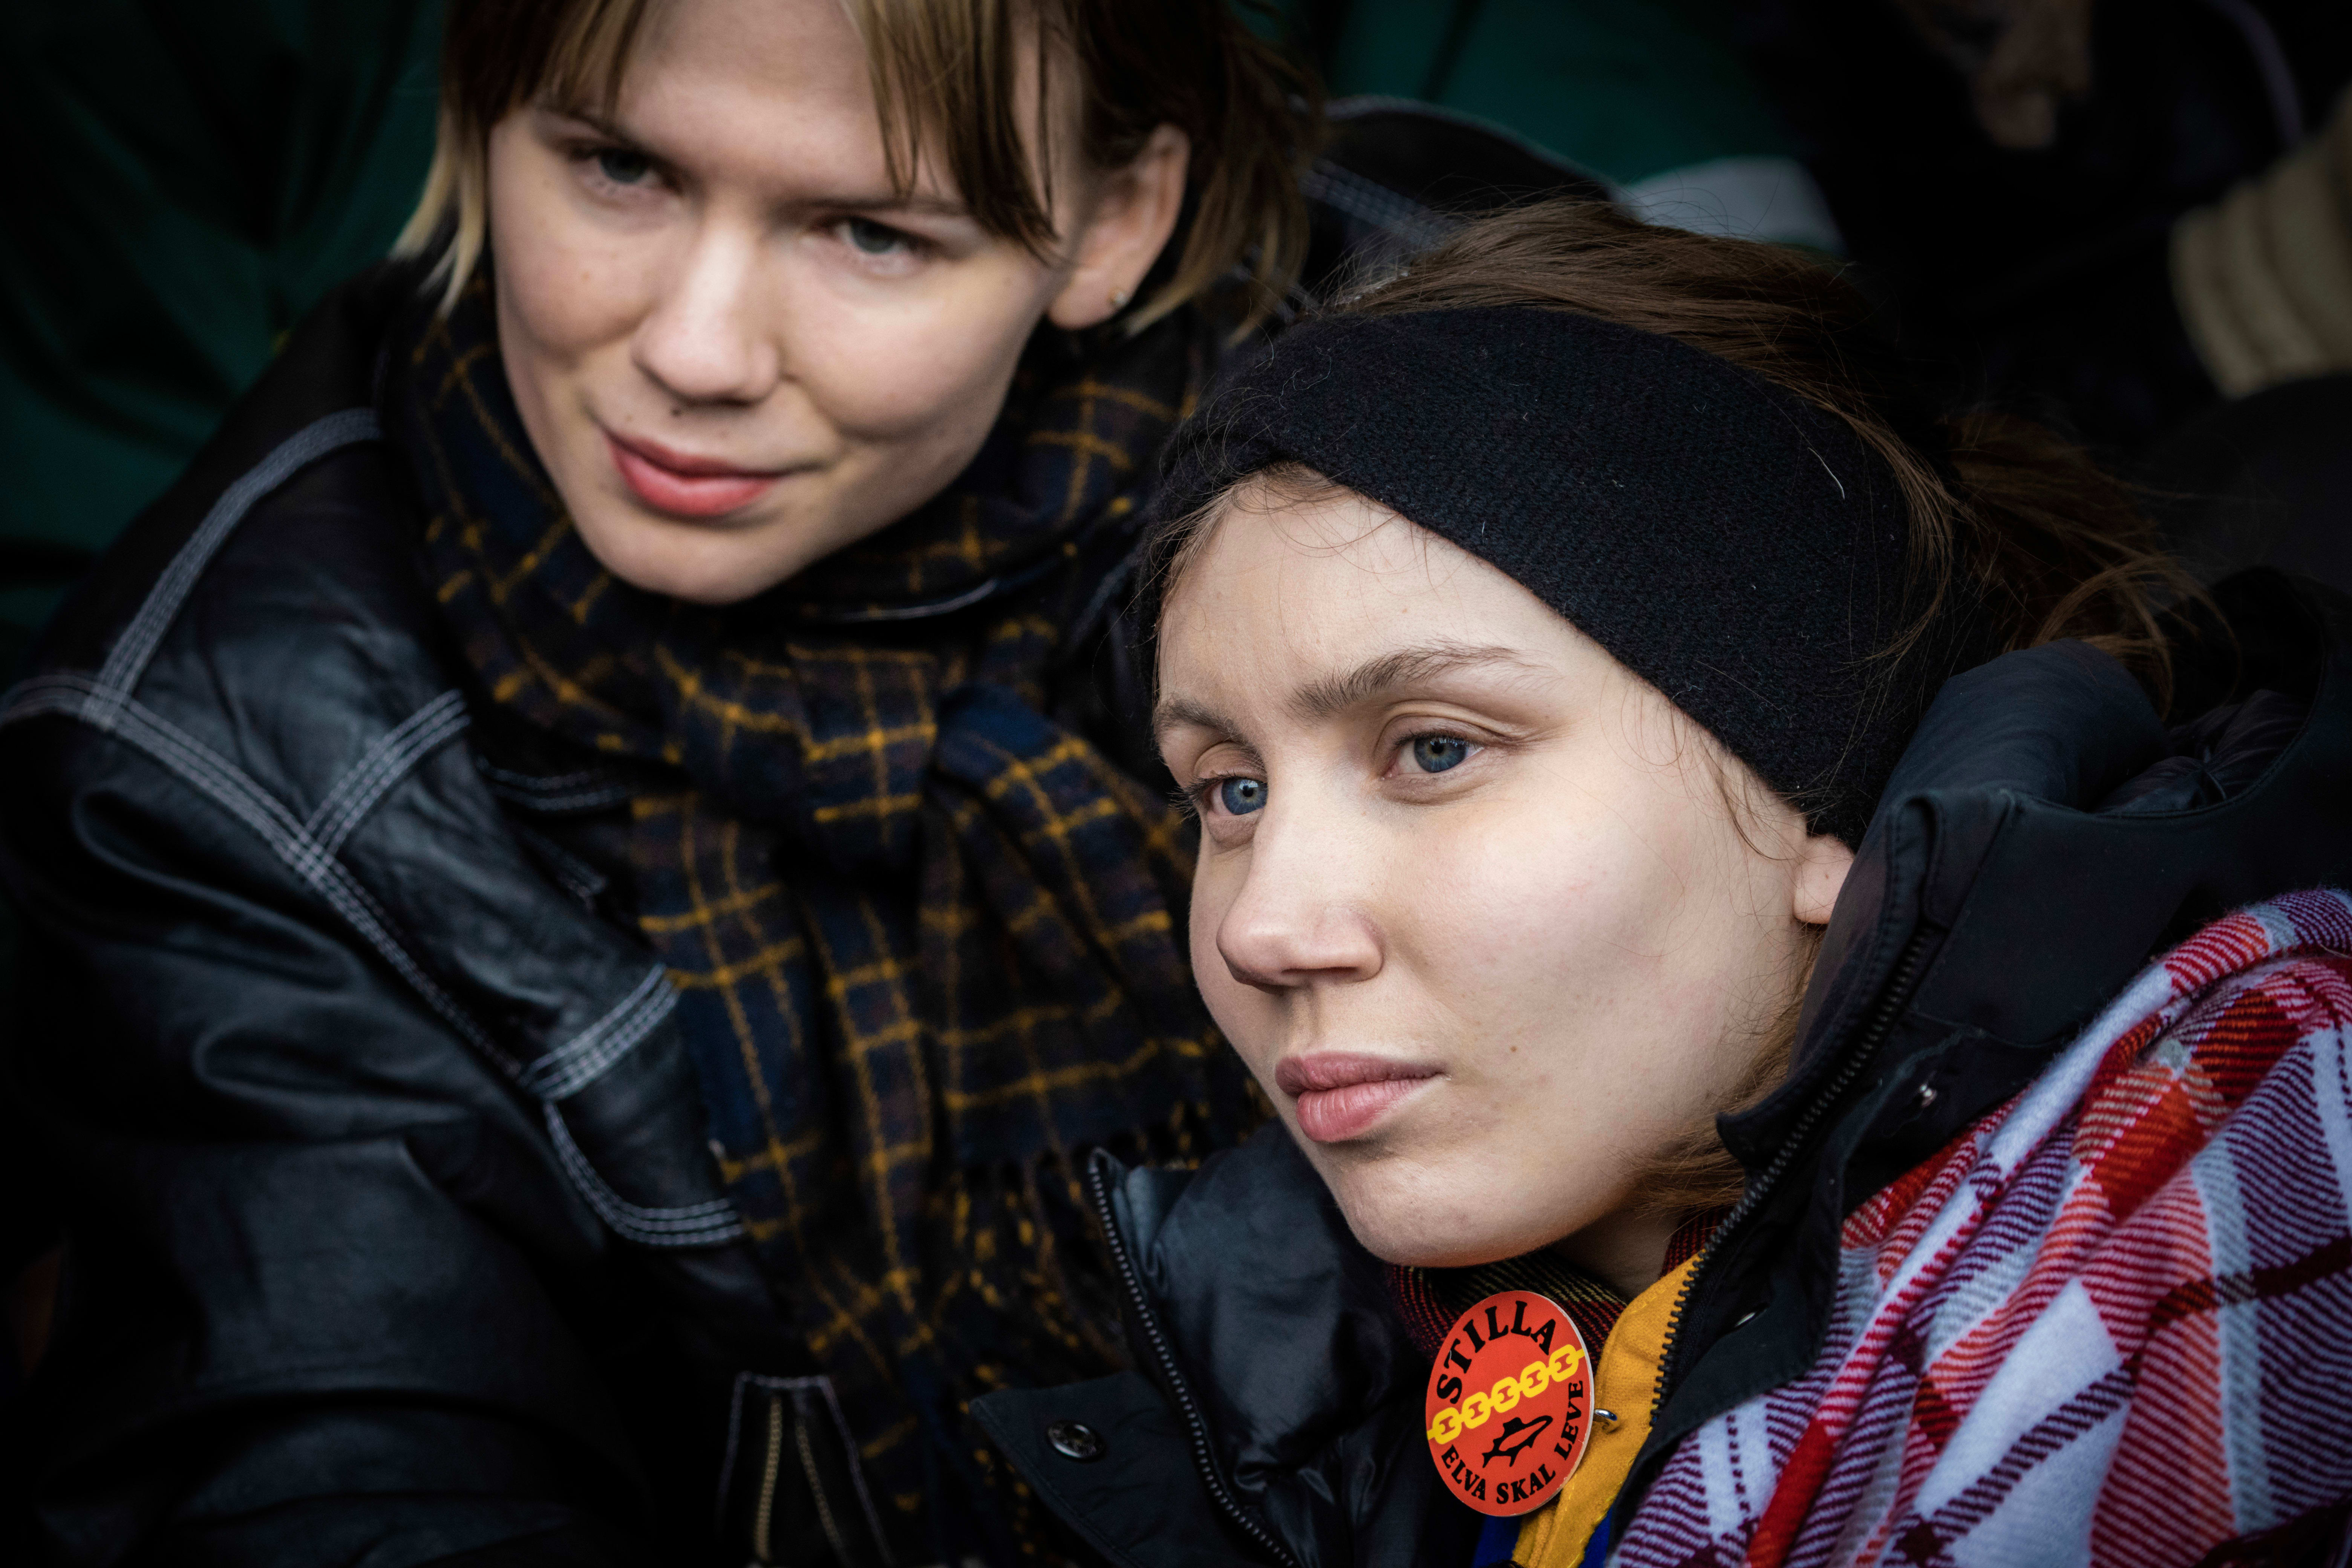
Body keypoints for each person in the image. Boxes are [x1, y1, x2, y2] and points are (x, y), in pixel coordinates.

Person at [0, 0, 1321, 1560]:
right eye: (620, 169)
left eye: (872, 233)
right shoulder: (223, 773)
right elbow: (352, 1481)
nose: (695, 352)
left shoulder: (1435, 439)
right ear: (481, 109)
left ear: (1118, 220)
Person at [972, 199, 2352, 1567]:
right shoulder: (1326, 1379)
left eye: (1436, 750)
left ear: (1829, 802)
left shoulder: (2240, 1197)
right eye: (1233, 792)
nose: (1266, 929)